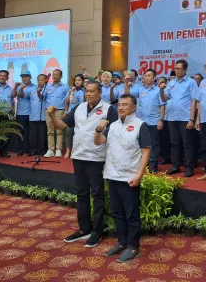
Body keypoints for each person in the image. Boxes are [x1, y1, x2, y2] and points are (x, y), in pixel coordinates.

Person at [48, 81, 117, 248]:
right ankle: (84, 228)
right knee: (81, 193)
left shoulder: (108, 109)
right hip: (79, 156)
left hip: (96, 157)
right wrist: (52, 116)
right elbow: (62, 125)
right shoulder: (78, 108)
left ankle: (97, 231)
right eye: (87, 91)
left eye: (92, 91)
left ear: (100, 93)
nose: (88, 94)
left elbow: (115, 132)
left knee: (97, 194)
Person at [95, 94, 151, 262]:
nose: (120, 107)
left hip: (129, 177)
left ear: (133, 108)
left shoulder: (141, 125)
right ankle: (121, 242)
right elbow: (98, 142)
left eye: (125, 104)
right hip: (112, 175)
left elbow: (146, 151)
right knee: (116, 212)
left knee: (131, 214)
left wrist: (139, 175)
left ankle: (133, 246)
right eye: (119, 104)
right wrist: (98, 130)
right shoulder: (112, 125)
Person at [159, 59, 197, 177]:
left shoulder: (191, 82)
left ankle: (189, 167)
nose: (177, 71)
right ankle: (176, 165)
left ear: (185, 70)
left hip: (185, 117)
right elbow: (165, 99)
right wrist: (161, 89)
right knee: (174, 143)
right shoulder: (172, 83)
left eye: (179, 69)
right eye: (175, 69)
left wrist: (191, 119)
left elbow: (194, 100)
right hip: (172, 117)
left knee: (187, 143)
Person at [126, 68, 166, 173]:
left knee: (154, 144)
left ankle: (153, 166)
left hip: (154, 121)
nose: (146, 77)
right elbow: (128, 94)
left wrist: (161, 120)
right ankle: (144, 164)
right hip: (141, 122)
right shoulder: (140, 89)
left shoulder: (158, 90)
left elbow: (162, 106)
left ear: (154, 78)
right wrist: (127, 83)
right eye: (145, 75)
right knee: (142, 143)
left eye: (149, 75)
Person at [42, 69, 70, 158]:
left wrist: (66, 111)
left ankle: (58, 149)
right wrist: (41, 90)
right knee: (50, 131)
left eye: (57, 75)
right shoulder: (47, 86)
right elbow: (42, 97)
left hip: (60, 110)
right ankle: (50, 150)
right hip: (49, 111)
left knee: (59, 131)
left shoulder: (65, 87)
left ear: (61, 76)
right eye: (53, 75)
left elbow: (67, 100)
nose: (54, 76)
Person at [12, 70, 35, 156]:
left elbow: (25, 96)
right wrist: (16, 87)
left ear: (30, 77)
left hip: (31, 113)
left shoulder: (35, 87)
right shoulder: (18, 86)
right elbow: (14, 95)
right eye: (23, 77)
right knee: (20, 132)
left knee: (29, 133)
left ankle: (28, 149)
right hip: (20, 113)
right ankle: (20, 149)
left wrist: (21, 89)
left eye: (26, 76)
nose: (24, 78)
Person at [64, 74, 85, 159]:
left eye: (79, 80)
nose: (77, 82)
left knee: (80, 133)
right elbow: (67, 102)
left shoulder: (85, 90)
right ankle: (68, 151)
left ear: (83, 81)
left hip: (82, 115)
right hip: (71, 114)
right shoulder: (72, 90)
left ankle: (77, 151)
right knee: (69, 133)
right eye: (76, 80)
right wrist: (71, 92)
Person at [28, 74, 48, 156]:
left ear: (45, 80)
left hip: (42, 116)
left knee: (42, 135)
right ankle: (34, 149)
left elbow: (42, 97)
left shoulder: (47, 89)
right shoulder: (32, 90)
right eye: (38, 80)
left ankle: (42, 150)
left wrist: (39, 92)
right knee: (33, 135)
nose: (40, 81)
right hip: (33, 116)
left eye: (42, 79)